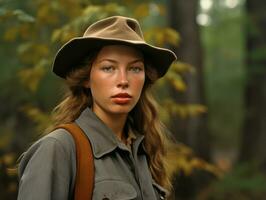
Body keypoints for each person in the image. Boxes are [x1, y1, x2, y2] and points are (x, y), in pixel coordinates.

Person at [17, 16, 177, 200]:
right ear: (86, 78)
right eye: (109, 68)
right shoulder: (58, 149)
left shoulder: (144, 150)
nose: (123, 81)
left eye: (135, 69)